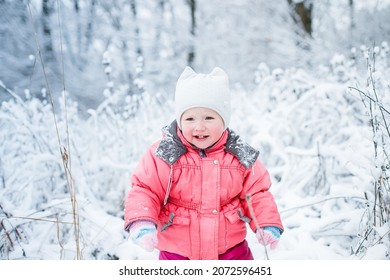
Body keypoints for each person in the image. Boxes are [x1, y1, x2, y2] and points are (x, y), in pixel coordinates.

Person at [124, 66, 283, 260]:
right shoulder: (166, 153)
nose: (199, 126)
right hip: (177, 252)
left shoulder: (240, 153)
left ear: (224, 120)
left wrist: (266, 223)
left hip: (231, 250)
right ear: (180, 120)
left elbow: (257, 193)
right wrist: (142, 221)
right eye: (190, 118)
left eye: (209, 117)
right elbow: (144, 189)